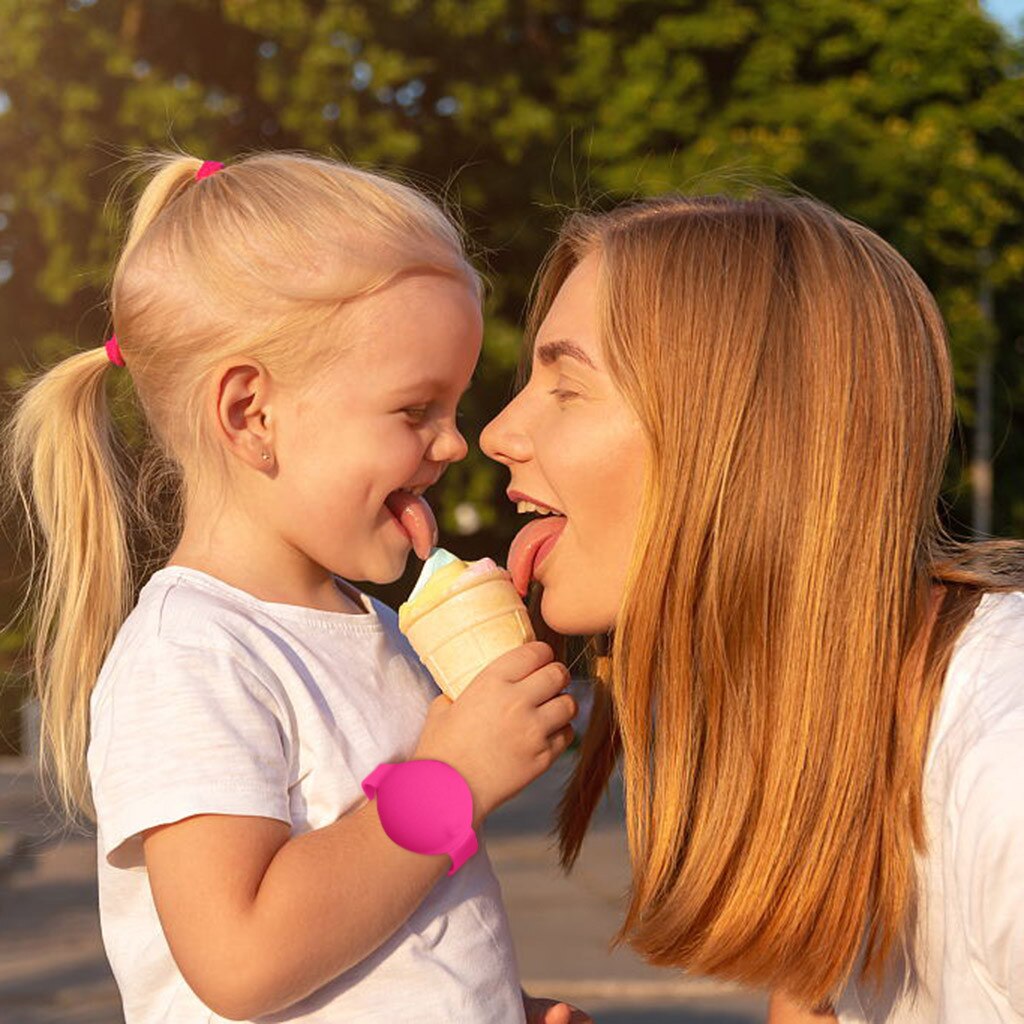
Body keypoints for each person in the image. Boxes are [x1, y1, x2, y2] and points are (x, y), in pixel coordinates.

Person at [4, 151, 589, 1024]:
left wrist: (494, 1001)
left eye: (454, 407)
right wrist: (453, 779)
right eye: (414, 410)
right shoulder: (192, 653)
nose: (454, 444)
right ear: (252, 415)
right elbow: (241, 959)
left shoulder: (369, 627)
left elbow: (379, 930)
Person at [481, 192, 1024, 1022]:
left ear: (740, 438)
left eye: (567, 387)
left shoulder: (1004, 755)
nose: (496, 433)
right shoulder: (835, 744)